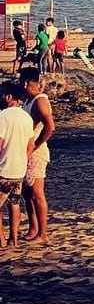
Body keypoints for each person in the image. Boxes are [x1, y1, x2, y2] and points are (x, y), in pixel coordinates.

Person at [19, 67, 54, 243]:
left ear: (26, 82)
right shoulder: (28, 100)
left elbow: (50, 127)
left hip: (36, 152)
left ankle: (43, 233)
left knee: (37, 192)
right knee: (27, 192)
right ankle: (33, 228)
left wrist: (36, 145)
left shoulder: (40, 101)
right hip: (26, 150)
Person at [0, 81, 36, 248]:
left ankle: (1, 239)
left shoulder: (3, 116)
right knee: (14, 204)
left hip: (4, 169)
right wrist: (23, 159)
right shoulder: (26, 118)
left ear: (8, 97)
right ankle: (13, 239)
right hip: (18, 170)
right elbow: (31, 145)